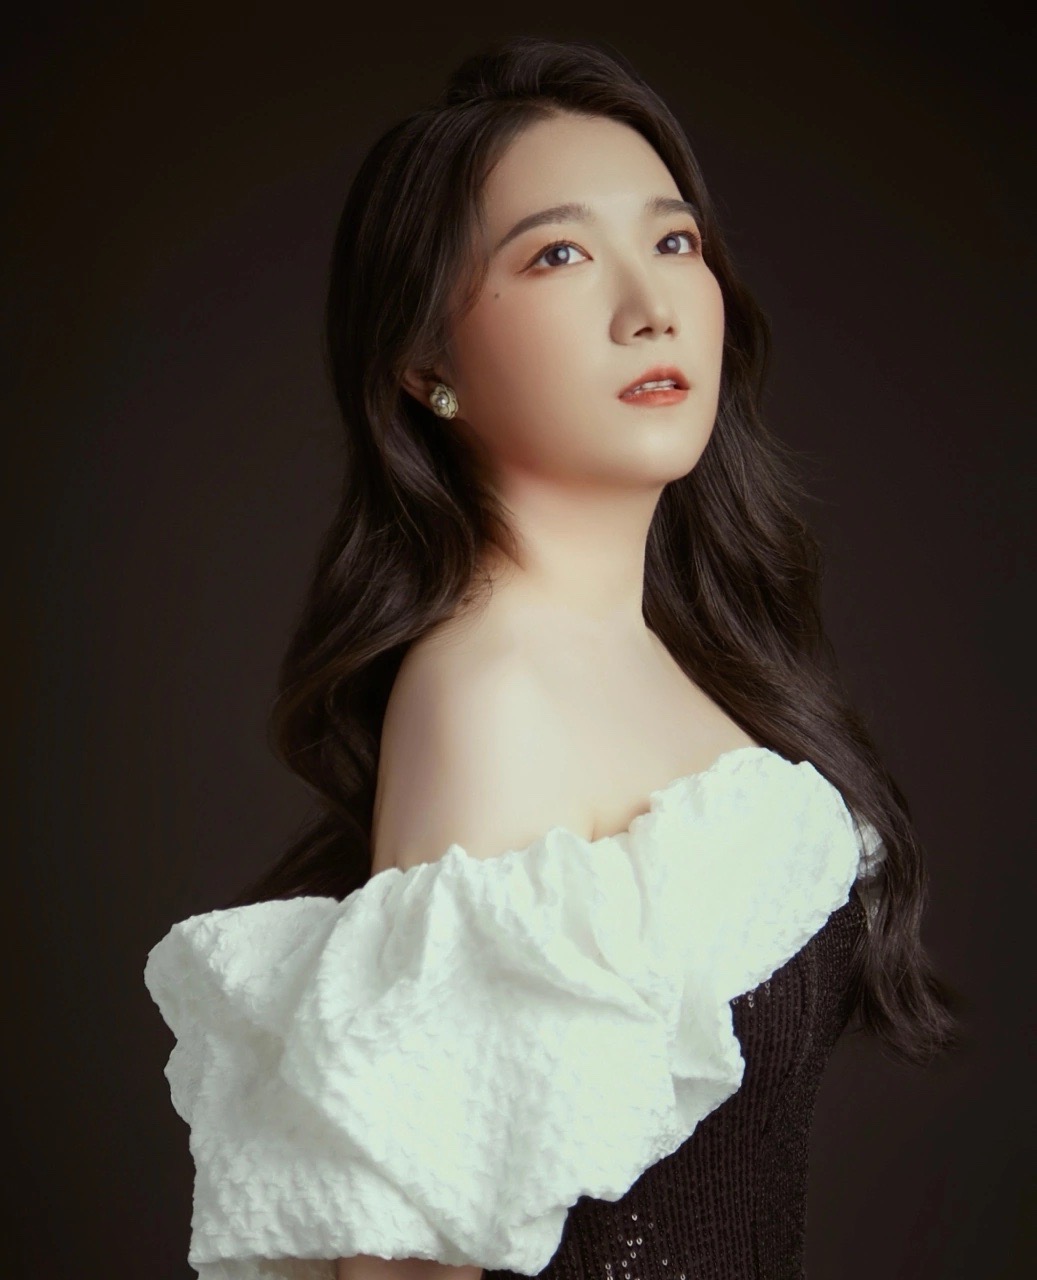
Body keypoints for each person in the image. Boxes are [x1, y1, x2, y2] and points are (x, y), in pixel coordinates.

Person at [143, 34, 963, 1280]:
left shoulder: (681, 657)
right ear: (426, 367)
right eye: (559, 255)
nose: (650, 306)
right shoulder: (492, 689)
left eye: (673, 241)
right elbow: (402, 1255)